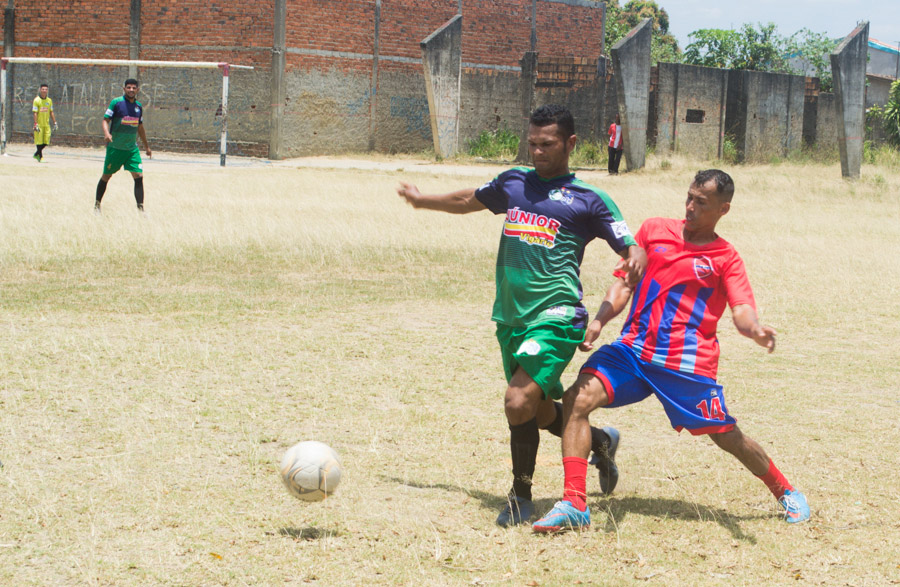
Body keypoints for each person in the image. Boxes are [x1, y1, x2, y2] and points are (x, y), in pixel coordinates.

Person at [396, 104, 647, 527]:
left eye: (547, 144)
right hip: (511, 317)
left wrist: (636, 254)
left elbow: (629, 244)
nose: (537, 152)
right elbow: (466, 199)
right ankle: (600, 441)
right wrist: (423, 201)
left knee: (516, 401)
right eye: (532, 143)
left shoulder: (588, 198)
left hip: (557, 315)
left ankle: (520, 494)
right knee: (534, 407)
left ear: (569, 144)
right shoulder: (513, 182)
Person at [533, 169, 810, 532]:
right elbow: (624, 283)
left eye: (702, 202)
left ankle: (786, 491)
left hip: (685, 364)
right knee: (576, 399)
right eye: (690, 197)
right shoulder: (654, 230)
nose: (690, 207)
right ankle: (574, 504)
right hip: (632, 352)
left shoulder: (726, 257)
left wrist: (754, 329)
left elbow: (741, 310)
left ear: (723, 210)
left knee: (726, 436)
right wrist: (600, 320)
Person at [95, 78, 152, 213]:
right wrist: (107, 133)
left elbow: (140, 128)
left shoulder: (138, 107)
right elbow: (105, 120)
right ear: (124, 89)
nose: (131, 90)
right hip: (116, 148)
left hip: (132, 149)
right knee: (106, 176)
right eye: (128, 87)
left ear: (137, 90)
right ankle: (97, 205)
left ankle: (141, 210)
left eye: (134, 88)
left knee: (138, 176)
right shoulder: (116, 103)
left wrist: (147, 147)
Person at [32, 83, 58, 162]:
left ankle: (36, 154)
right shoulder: (36, 100)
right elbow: (35, 113)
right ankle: (41, 157)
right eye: (43, 89)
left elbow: (51, 112)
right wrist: (35, 124)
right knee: (39, 141)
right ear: (40, 90)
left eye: (46, 89)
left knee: (46, 141)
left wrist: (55, 122)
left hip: (46, 124)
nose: (44, 91)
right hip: (39, 124)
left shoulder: (49, 101)